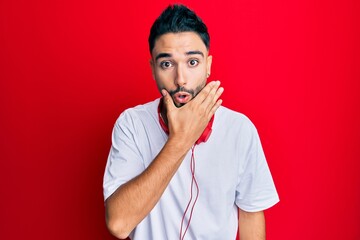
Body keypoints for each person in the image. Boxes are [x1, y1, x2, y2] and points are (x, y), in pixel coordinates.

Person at [103, 4, 279, 240]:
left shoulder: (240, 129)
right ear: (153, 69)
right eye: (167, 64)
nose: (180, 79)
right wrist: (180, 140)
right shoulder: (131, 125)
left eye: (192, 62)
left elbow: (251, 217)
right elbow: (118, 223)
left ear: (208, 65)